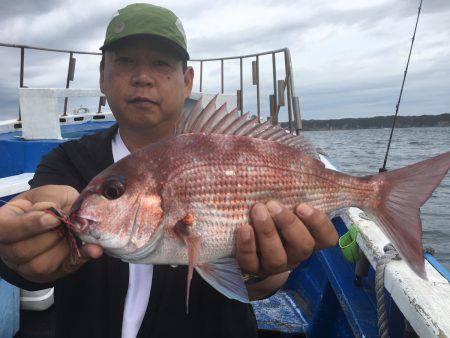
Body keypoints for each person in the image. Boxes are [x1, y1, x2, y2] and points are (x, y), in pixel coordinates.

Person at [0, 3, 338, 338]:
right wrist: (18, 254)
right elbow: (30, 259)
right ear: (102, 77)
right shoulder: (66, 162)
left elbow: (260, 286)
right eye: (125, 61)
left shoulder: (223, 144)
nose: (142, 77)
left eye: (161, 64)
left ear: (187, 81)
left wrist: (262, 273)